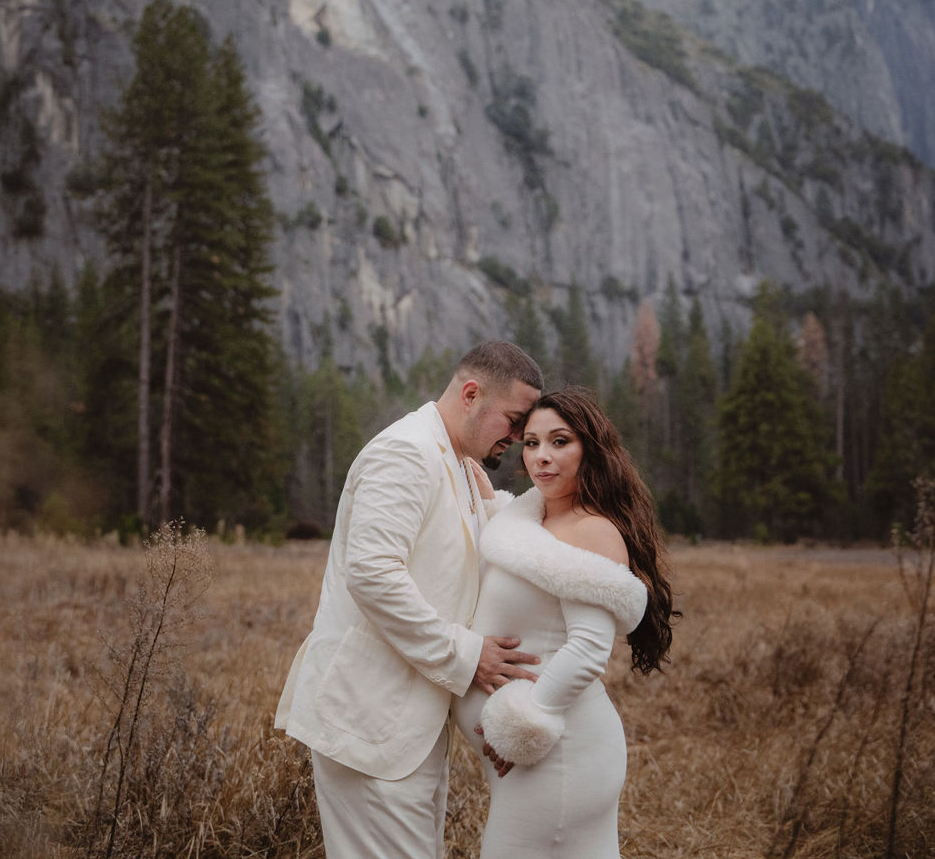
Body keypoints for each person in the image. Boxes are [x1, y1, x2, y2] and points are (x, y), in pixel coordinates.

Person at [274, 339, 544, 859]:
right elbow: (373, 574)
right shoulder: (404, 452)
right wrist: (469, 656)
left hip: (410, 727)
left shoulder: (464, 467)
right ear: (471, 393)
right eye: (513, 421)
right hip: (370, 721)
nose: (517, 437)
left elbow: (499, 543)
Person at [454, 387, 676, 858]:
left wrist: (519, 726)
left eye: (560, 441)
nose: (542, 457)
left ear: (590, 448)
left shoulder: (590, 529)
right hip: (536, 757)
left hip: (560, 750)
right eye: (531, 443)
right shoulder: (532, 517)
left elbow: (590, 649)